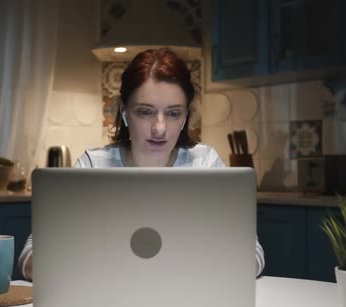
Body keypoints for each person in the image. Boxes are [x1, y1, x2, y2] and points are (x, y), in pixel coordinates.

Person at [18, 48, 265, 280]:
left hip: (188, 299)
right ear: (124, 112)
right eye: (145, 112)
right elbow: (30, 257)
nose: (159, 128)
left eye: (173, 113)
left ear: (185, 117)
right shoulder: (93, 166)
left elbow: (253, 254)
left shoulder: (205, 163)